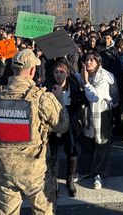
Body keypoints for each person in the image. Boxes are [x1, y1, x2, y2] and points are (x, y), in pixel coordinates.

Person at [0, 49, 68, 215]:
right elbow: (62, 125)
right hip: (35, 172)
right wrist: (59, 99)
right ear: (33, 70)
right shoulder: (42, 98)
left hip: (4, 170)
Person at [44, 57, 85, 197]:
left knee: (72, 152)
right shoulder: (48, 85)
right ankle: (53, 182)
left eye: (62, 72)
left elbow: (79, 103)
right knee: (52, 155)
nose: (58, 74)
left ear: (67, 74)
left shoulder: (73, 85)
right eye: (56, 71)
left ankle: (70, 180)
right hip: (53, 125)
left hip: (70, 124)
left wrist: (72, 120)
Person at [78, 51, 115, 190]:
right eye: (87, 60)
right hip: (88, 114)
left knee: (102, 144)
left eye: (92, 60)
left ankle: (99, 173)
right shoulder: (84, 72)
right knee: (86, 142)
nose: (88, 63)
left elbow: (96, 96)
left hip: (101, 113)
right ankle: (84, 171)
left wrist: (86, 82)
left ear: (98, 62)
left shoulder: (104, 76)